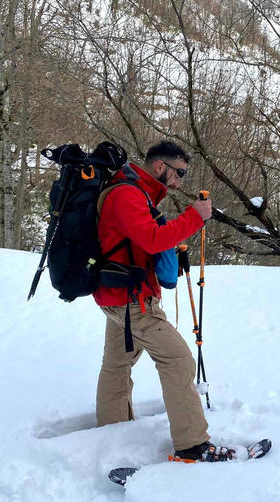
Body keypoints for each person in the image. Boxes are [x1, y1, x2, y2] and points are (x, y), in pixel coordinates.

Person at [94, 140, 220, 461]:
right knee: (178, 361)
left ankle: (111, 433)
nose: (179, 182)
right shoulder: (127, 194)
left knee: (117, 364)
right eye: (178, 173)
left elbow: (143, 240)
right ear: (159, 166)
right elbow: (151, 239)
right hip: (132, 300)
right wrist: (192, 217)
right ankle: (192, 445)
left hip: (119, 295)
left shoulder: (134, 192)